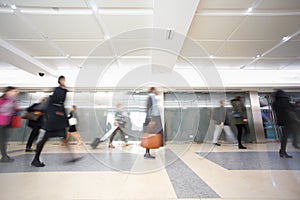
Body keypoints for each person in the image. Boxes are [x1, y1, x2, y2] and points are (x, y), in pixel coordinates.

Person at [31, 76, 81, 167]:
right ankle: (35, 159)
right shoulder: (51, 101)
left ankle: (72, 156)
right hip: (51, 126)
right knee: (43, 141)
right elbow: (42, 109)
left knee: (64, 138)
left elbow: (62, 113)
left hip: (56, 125)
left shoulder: (59, 103)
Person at [272, 90, 299, 158]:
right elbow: (291, 109)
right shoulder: (285, 101)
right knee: (295, 131)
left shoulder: (275, 103)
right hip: (290, 120)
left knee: (285, 136)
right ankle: (294, 143)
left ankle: (282, 151)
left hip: (283, 121)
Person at [0, 86, 19, 162]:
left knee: (3, 140)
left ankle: (4, 155)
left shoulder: (12, 101)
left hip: (6, 123)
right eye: (14, 91)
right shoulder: (4, 100)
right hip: (1, 122)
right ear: (8, 92)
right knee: (2, 140)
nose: (16, 92)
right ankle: (4, 156)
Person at [143, 87, 163, 159]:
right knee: (150, 136)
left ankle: (147, 152)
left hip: (152, 118)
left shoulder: (151, 97)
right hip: (152, 118)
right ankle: (147, 153)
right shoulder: (151, 96)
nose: (156, 91)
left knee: (150, 135)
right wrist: (151, 120)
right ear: (153, 90)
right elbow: (149, 108)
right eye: (155, 89)